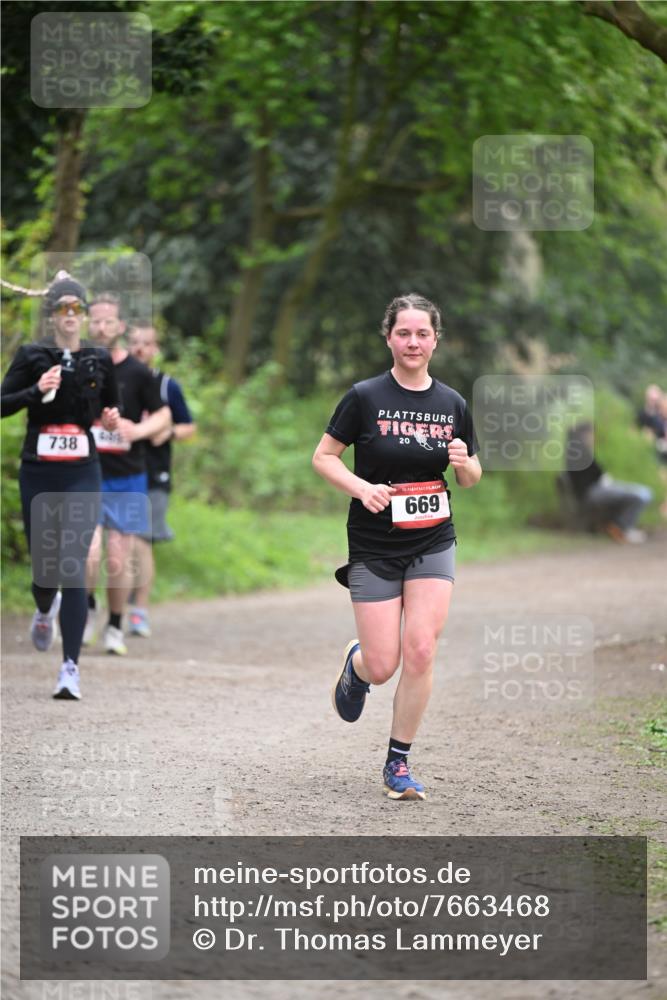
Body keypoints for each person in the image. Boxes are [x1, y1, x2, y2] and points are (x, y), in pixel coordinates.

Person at [312, 293, 481, 801]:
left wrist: (462, 462)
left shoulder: (452, 404)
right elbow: (324, 458)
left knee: (422, 649)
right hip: (374, 543)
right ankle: (358, 664)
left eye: (422, 333)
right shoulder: (364, 396)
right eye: (403, 333)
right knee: (385, 665)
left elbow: (471, 477)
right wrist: (362, 488)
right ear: (389, 337)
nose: (413, 342)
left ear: (435, 340)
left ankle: (398, 764)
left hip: (432, 537)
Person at [1, 272, 120, 699]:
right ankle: (41, 606)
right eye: (63, 308)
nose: (70, 316)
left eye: (77, 309)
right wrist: (36, 390)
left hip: (81, 471)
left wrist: (110, 419)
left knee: (73, 564)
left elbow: (112, 408)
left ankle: (70, 668)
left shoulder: (98, 358)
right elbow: (2, 404)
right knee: (45, 566)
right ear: (52, 315)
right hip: (39, 469)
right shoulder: (32, 355)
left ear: (84, 316)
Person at [84, 294, 171, 654]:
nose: (102, 326)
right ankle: (87, 611)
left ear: (120, 327)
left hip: (127, 477)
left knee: (118, 557)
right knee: (89, 554)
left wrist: (138, 430)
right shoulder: (80, 366)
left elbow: (164, 416)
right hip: (86, 474)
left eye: (109, 321)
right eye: (96, 320)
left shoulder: (137, 372)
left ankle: (116, 624)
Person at [126, 323, 196, 637]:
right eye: (135, 342)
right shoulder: (115, 381)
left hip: (155, 473)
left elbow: (188, 428)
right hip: (119, 470)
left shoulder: (167, 386)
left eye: (146, 343)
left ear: (155, 349)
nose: (140, 348)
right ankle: (114, 604)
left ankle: (139, 610)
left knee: (142, 540)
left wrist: (166, 431)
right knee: (120, 541)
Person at [565, 422, 653, 543]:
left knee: (640, 492)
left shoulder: (576, 452)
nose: (593, 437)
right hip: (592, 492)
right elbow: (597, 476)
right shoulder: (580, 453)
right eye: (591, 434)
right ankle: (621, 528)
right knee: (640, 494)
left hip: (593, 490)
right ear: (584, 435)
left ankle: (619, 527)